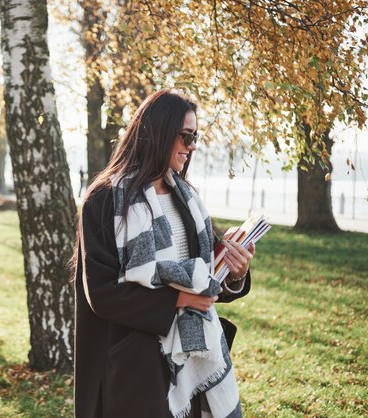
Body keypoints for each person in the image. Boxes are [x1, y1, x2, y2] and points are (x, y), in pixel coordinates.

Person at [73, 90, 255, 418]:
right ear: (157, 132)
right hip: (136, 370)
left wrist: (235, 274)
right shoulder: (105, 200)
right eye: (186, 136)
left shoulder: (187, 199)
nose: (193, 145)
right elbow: (100, 294)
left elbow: (203, 277)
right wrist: (176, 301)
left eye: (195, 136)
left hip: (194, 361)